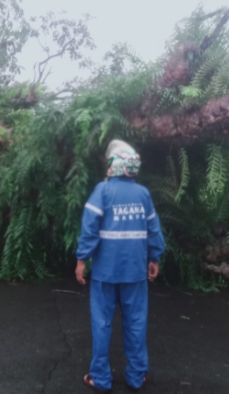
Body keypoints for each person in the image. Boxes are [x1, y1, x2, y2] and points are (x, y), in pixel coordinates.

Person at [75, 139, 166, 392]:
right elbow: (153, 229)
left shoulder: (102, 192)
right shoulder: (143, 194)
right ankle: (137, 376)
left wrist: (82, 260)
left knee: (102, 323)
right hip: (135, 271)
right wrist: (154, 257)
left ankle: (100, 379)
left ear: (113, 166)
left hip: (105, 273)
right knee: (136, 322)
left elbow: (90, 230)